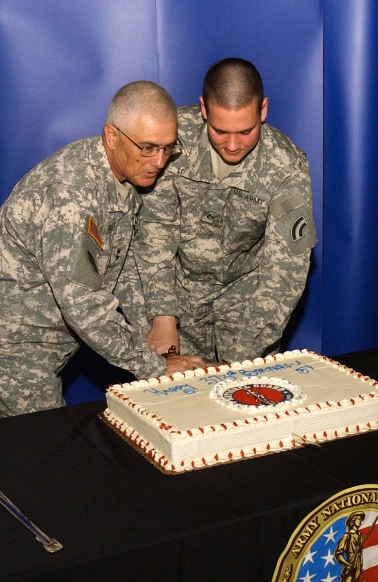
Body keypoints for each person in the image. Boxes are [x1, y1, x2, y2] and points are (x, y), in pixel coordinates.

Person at [0, 81, 204, 420]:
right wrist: (153, 366)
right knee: (44, 448)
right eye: (148, 147)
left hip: (44, 332)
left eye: (169, 148)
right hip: (7, 338)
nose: (159, 161)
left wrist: (152, 331)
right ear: (112, 136)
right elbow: (85, 306)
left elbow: (118, 267)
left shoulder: (123, 173)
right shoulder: (71, 197)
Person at [133, 58, 316, 363]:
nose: (232, 145)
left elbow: (286, 269)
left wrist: (242, 359)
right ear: (204, 109)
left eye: (246, 131)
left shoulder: (285, 167)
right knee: (182, 401)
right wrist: (163, 316)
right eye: (220, 130)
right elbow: (155, 231)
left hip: (249, 296)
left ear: (263, 110)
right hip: (178, 292)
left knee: (247, 394)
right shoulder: (172, 143)